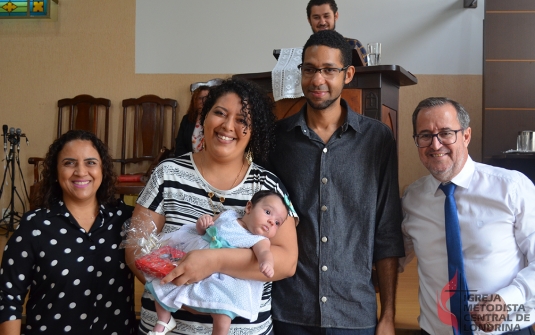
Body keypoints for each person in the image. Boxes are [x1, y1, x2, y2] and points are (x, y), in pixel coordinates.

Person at [125, 77, 299, 335]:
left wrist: (213, 260)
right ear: (203, 118)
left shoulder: (267, 186)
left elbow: (286, 262)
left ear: (254, 130)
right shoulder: (167, 174)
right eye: (219, 113)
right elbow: (135, 249)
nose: (228, 126)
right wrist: (184, 293)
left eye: (242, 120)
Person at [268, 30, 404, 334]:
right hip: (290, 309)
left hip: (354, 312)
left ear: (348, 74)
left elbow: (387, 229)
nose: (318, 80)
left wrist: (388, 316)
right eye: (310, 69)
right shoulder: (278, 139)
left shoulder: (377, 138)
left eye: (329, 70)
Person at [400, 97, 535, 335]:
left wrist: (507, 300)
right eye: (424, 135)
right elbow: (395, 255)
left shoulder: (511, 188)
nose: (435, 144)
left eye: (446, 133)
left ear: (466, 136)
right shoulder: (412, 199)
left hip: (506, 330)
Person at [0, 130, 136, 335]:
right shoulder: (34, 225)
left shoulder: (127, 220)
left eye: (90, 162)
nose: (81, 172)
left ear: (103, 170)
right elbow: (8, 295)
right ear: (56, 171)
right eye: (69, 163)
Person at [143, 190, 290, 335]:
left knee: (224, 312)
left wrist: (266, 263)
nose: (271, 222)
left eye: (277, 223)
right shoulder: (229, 215)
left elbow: (265, 253)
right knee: (163, 281)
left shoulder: (259, 240)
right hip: (194, 255)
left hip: (222, 277)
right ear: (249, 207)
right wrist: (202, 224)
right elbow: (208, 228)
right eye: (268, 213)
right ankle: (164, 321)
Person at [306, 0, 367, 66]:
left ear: (335, 16)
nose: (322, 22)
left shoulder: (353, 45)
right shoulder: (305, 51)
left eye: (326, 16)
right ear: (309, 20)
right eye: (316, 17)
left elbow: (368, 75)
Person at [174, 85, 210, 157]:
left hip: (209, 162)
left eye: (207, 98)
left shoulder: (217, 120)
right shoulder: (186, 119)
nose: (203, 101)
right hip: (190, 160)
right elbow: (180, 146)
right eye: (200, 98)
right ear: (195, 101)